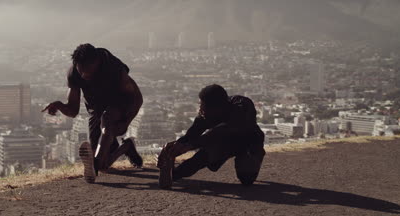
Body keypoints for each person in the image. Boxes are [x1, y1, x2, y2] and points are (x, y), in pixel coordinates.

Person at [42, 43, 143, 183]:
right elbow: (73, 111)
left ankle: (93, 166)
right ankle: (125, 147)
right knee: (104, 164)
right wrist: (59, 105)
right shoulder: (74, 75)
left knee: (107, 120)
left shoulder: (113, 68)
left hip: (122, 103)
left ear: (97, 63)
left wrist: (126, 121)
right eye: (81, 70)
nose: (84, 75)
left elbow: (136, 97)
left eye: (88, 70)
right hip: (97, 111)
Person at [157, 84, 265, 189]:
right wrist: (174, 148)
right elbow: (192, 134)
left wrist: (189, 146)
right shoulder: (206, 115)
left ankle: (256, 157)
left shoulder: (242, 105)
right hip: (224, 143)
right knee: (202, 157)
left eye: (203, 106)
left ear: (216, 108)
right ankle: (174, 175)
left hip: (248, 142)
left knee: (246, 179)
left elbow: (221, 131)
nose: (200, 109)